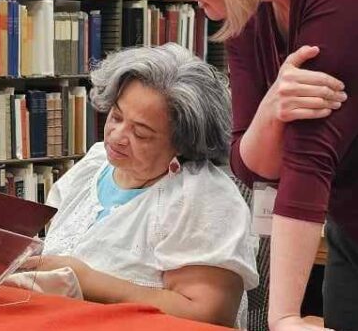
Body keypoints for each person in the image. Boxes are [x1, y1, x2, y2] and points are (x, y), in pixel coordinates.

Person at [155, 0, 358, 331]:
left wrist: (281, 317)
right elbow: (250, 162)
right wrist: (270, 112)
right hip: (355, 229)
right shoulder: (248, 6)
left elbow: (308, 153)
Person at [17, 44, 258, 328]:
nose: (117, 136)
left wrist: (87, 279)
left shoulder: (202, 197)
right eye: (116, 117)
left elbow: (207, 316)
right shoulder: (96, 164)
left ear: (183, 143)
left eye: (141, 133)